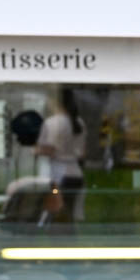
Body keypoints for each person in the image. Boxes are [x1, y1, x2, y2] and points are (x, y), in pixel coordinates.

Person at [35, 89, 86, 224]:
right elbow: (82, 152)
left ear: (55, 102)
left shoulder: (52, 122)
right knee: (69, 216)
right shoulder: (79, 122)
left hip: (58, 175)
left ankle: (60, 242)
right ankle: (70, 243)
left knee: (56, 214)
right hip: (76, 173)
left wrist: (35, 151)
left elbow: (49, 150)